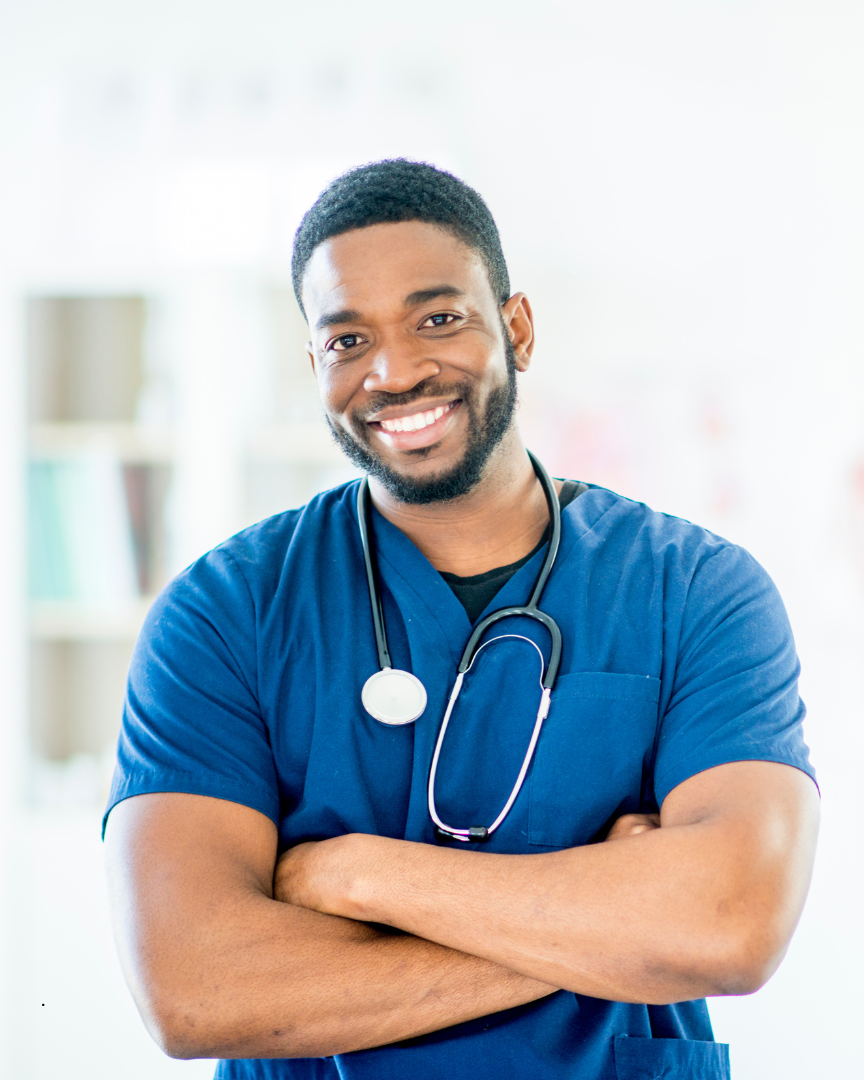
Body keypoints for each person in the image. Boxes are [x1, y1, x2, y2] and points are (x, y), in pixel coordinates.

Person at [104, 159, 819, 1080]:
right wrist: (611, 925)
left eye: (438, 318)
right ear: (314, 363)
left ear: (517, 329)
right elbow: (193, 991)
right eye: (348, 339)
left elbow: (729, 926)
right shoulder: (224, 613)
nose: (395, 371)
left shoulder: (697, 591)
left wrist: (353, 875)